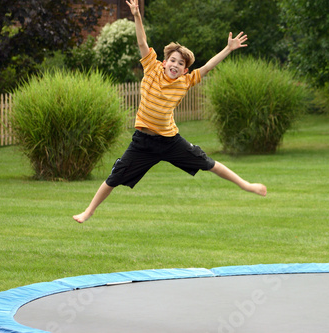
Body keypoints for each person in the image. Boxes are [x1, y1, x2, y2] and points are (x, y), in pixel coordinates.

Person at [73, 0, 267, 223]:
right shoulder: (152, 68)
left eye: (181, 63)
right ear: (164, 62)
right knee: (114, 177)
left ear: (185, 69)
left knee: (207, 163)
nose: (175, 65)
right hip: (142, 143)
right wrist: (136, 15)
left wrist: (228, 49)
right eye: (172, 60)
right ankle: (89, 211)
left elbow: (207, 67)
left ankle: (246, 185)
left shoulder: (185, 81)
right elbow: (142, 41)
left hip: (169, 141)